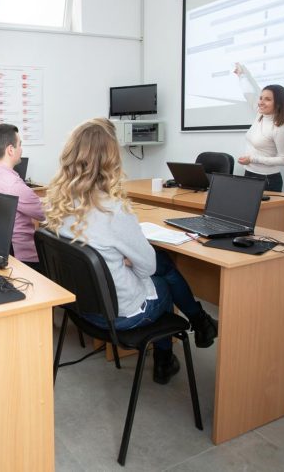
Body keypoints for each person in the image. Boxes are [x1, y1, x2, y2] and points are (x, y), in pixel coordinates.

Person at [44, 118, 217, 384]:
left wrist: (116, 259)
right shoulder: (113, 210)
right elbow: (146, 268)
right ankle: (174, 348)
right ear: (111, 160)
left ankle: (192, 330)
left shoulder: (58, 202)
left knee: (161, 263)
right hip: (119, 317)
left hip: (81, 309)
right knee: (163, 274)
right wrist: (123, 259)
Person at [0, 124, 45, 273]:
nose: (21, 149)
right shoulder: (13, 185)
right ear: (10, 150)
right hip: (23, 259)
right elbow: (44, 213)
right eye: (20, 144)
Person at [234, 63, 284, 192]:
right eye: (261, 98)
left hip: (267, 180)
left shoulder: (279, 128)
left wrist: (252, 159)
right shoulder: (260, 115)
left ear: (278, 103)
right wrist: (241, 75)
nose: (261, 102)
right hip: (249, 174)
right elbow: (248, 94)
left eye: (267, 99)